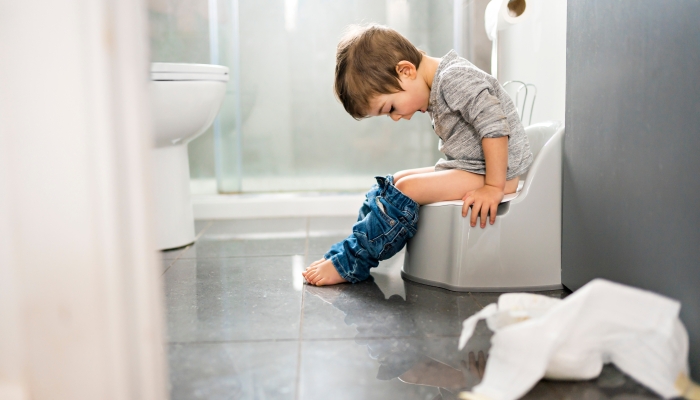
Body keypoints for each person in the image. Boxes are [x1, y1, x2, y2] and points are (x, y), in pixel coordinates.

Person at [302, 24, 532, 286]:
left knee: (407, 188)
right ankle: (349, 249)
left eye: (390, 108)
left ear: (406, 70)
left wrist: (493, 186)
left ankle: (352, 261)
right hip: (473, 167)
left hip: (496, 173)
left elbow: (494, 125)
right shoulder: (442, 80)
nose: (396, 117)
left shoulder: (453, 78)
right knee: (395, 182)